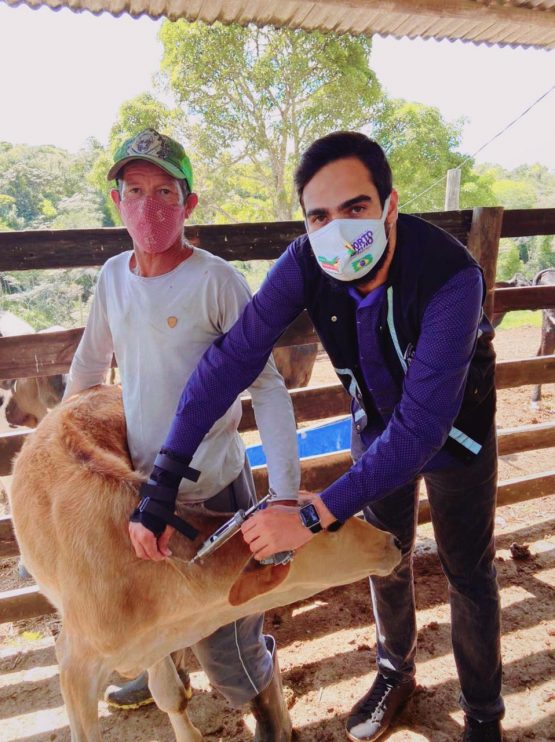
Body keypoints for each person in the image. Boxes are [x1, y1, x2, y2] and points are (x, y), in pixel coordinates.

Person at [137, 131, 505, 742]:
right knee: (385, 556)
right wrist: (163, 478)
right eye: (318, 215)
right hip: (375, 428)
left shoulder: (450, 278)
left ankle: (484, 717)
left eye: (354, 207)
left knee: (467, 569)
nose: (336, 229)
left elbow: (423, 426)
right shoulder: (307, 261)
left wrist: (314, 515)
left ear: (389, 205)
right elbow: (231, 359)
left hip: (455, 435)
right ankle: (395, 674)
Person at [63, 128, 300, 741]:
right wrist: (68, 456)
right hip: (140, 485)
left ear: (190, 204)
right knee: (147, 599)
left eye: (165, 192)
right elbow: (91, 367)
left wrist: (285, 492)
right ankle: (156, 675)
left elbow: (267, 386)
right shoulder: (113, 277)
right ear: (116, 199)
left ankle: (263, 698)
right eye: (135, 191)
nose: (148, 207)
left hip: (215, 486)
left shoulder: (216, 282)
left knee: (226, 630)